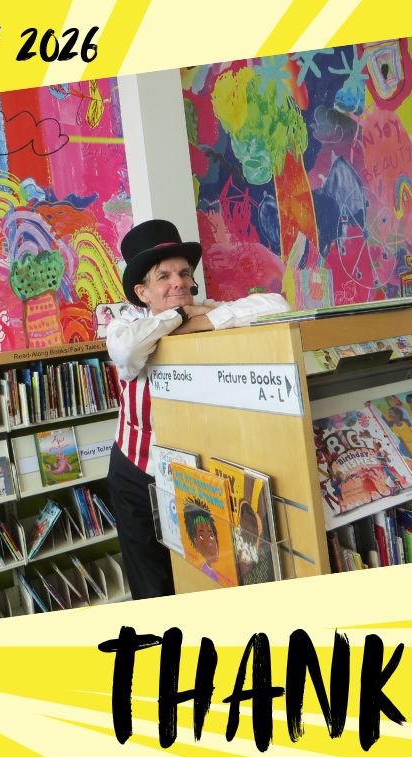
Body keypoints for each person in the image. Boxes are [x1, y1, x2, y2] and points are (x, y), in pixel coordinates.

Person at [105, 219, 290, 599]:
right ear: (142, 292)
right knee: (152, 582)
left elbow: (277, 305)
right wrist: (175, 319)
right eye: (164, 276)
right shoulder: (124, 325)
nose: (178, 282)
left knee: (204, 571)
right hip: (134, 472)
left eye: (184, 273)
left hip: (192, 473)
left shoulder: (204, 311)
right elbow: (126, 352)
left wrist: (200, 318)